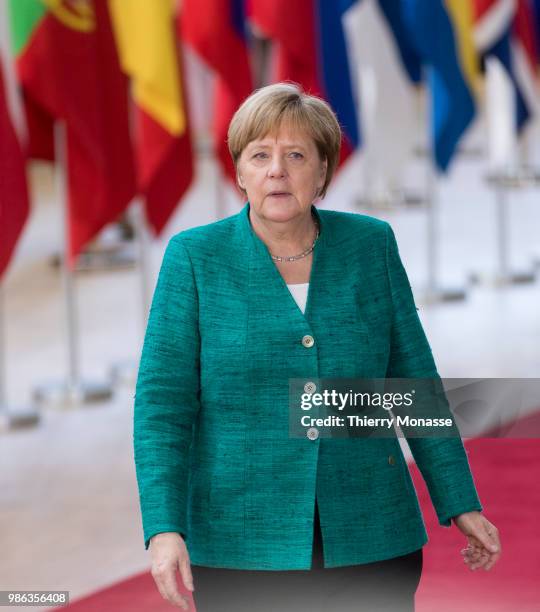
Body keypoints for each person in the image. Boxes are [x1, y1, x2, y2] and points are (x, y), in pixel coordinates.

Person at [133, 83, 501, 611]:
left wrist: (459, 501)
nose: (276, 170)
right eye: (260, 155)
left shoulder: (371, 244)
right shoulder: (194, 258)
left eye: (296, 155)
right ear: (239, 172)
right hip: (240, 543)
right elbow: (162, 407)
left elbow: (412, 385)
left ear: (323, 171)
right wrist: (164, 528)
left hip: (372, 535)